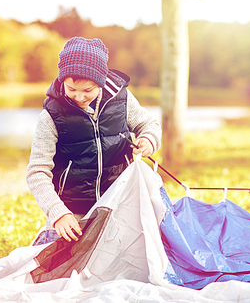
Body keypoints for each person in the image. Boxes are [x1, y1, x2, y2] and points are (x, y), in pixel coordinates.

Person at [26, 37, 161, 244]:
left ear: (100, 81)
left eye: (87, 90)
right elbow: (37, 172)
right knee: (57, 269)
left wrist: (148, 139)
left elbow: (149, 124)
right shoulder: (51, 115)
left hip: (118, 206)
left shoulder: (122, 100)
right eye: (71, 89)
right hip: (72, 213)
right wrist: (57, 212)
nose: (79, 97)